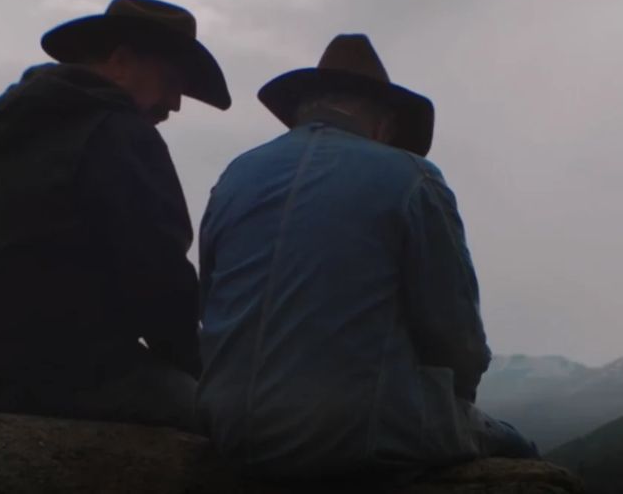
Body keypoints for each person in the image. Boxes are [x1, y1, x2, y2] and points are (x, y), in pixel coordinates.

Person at [196, 34, 537, 480]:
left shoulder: (234, 176)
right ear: (384, 122)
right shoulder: (412, 178)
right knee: (518, 447)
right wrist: (454, 401)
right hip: (355, 432)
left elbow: (211, 301)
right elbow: (455, 335)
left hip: (225, 427)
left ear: (301, 110)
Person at [0, 0, 230, 431]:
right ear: (120, 61)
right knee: (240, 425)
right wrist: (208, 374)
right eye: (170, 83)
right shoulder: (118, 132)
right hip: (84, 377)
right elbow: (158, 279)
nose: (173, 105)